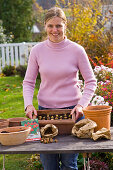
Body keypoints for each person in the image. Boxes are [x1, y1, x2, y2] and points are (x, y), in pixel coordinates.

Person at [23, 7, 97, 170]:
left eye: (58, 26)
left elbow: (91, 81)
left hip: (72, 113)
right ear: (45, 26)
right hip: (44, 114)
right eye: (50, 26)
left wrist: (81, 105)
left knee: (69, 165)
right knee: (49, 165)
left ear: (65, 26)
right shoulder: (37, 51)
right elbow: (28, 82)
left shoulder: (77, 50)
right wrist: (28, 105)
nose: (54, 30)